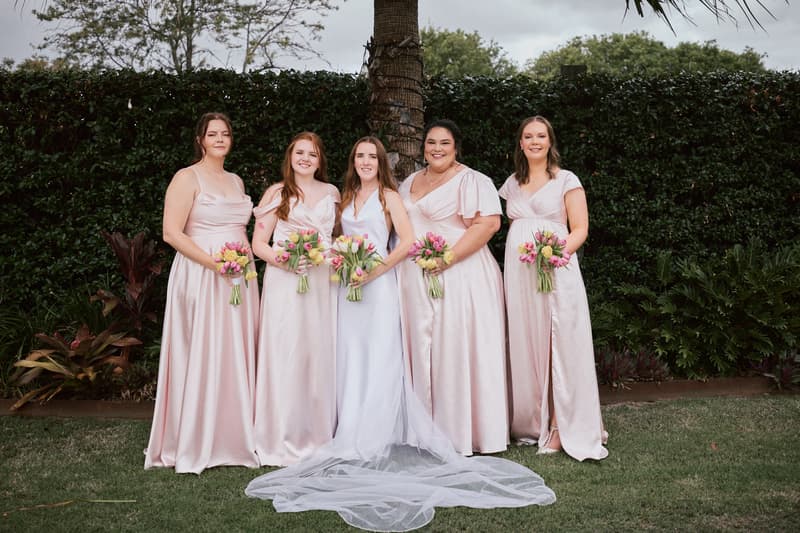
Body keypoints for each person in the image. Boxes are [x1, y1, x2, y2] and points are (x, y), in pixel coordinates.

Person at [246, 136, 555, 532]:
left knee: (380, 356)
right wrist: (345, 264)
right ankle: (347, 428)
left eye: (372, 156)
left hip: (378, 286)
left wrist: (372, 270)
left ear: (381, 162)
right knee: (347, 357)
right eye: (359, 156)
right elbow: (333, 240)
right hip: (345, 288)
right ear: (351, 162)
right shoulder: (343, 198)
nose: (365, 162)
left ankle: (374, 436)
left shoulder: (391, 196)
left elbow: (406, 242)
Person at [145, 112, 260, 474]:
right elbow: (172, 233)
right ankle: (194, 437)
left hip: (241, 276)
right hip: (201, 273)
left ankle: (233, 434)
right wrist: (215, 265)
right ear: (201, 139)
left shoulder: (236, 180)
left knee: (234, 349)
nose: (220, 139)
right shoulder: (186, 177)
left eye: (226, 133)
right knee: (202, 349)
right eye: (213, 134)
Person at [396, 119, 509, 455]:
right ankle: (423, 428)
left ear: (456, 146)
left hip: (462, 274)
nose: (437, 149)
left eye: (444, 143)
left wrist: (448, 258)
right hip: (415, 276)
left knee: (457, 347)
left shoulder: (474, 180)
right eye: (431, 143)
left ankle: (465, 430)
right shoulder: (408, 183)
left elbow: (488, 223)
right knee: (422, 347)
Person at [499, 115, 608, 461]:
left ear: (550, 141)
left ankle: (562, 425)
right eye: (528, 136)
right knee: (527, 341)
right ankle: (534, 420)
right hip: (520, 274)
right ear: (520, 143)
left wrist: (554, 254)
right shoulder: (511, 185)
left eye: (540, 136)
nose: (534, 141)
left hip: (555, 269)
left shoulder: (566, 180)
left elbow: (580, 229)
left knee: (560, 342)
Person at [251, 131, 339, 466]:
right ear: (290, 156)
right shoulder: (278, 192)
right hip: (286, 281)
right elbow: (259, 244)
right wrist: (285, 259)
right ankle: (279, 433)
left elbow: (333, 238)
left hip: (320, 282)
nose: (305, 159)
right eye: (299, 152)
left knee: (316, 352)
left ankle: (317, 433)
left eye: (312, 154)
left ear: (320, 161)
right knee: (286, 350)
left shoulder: (332, 193)